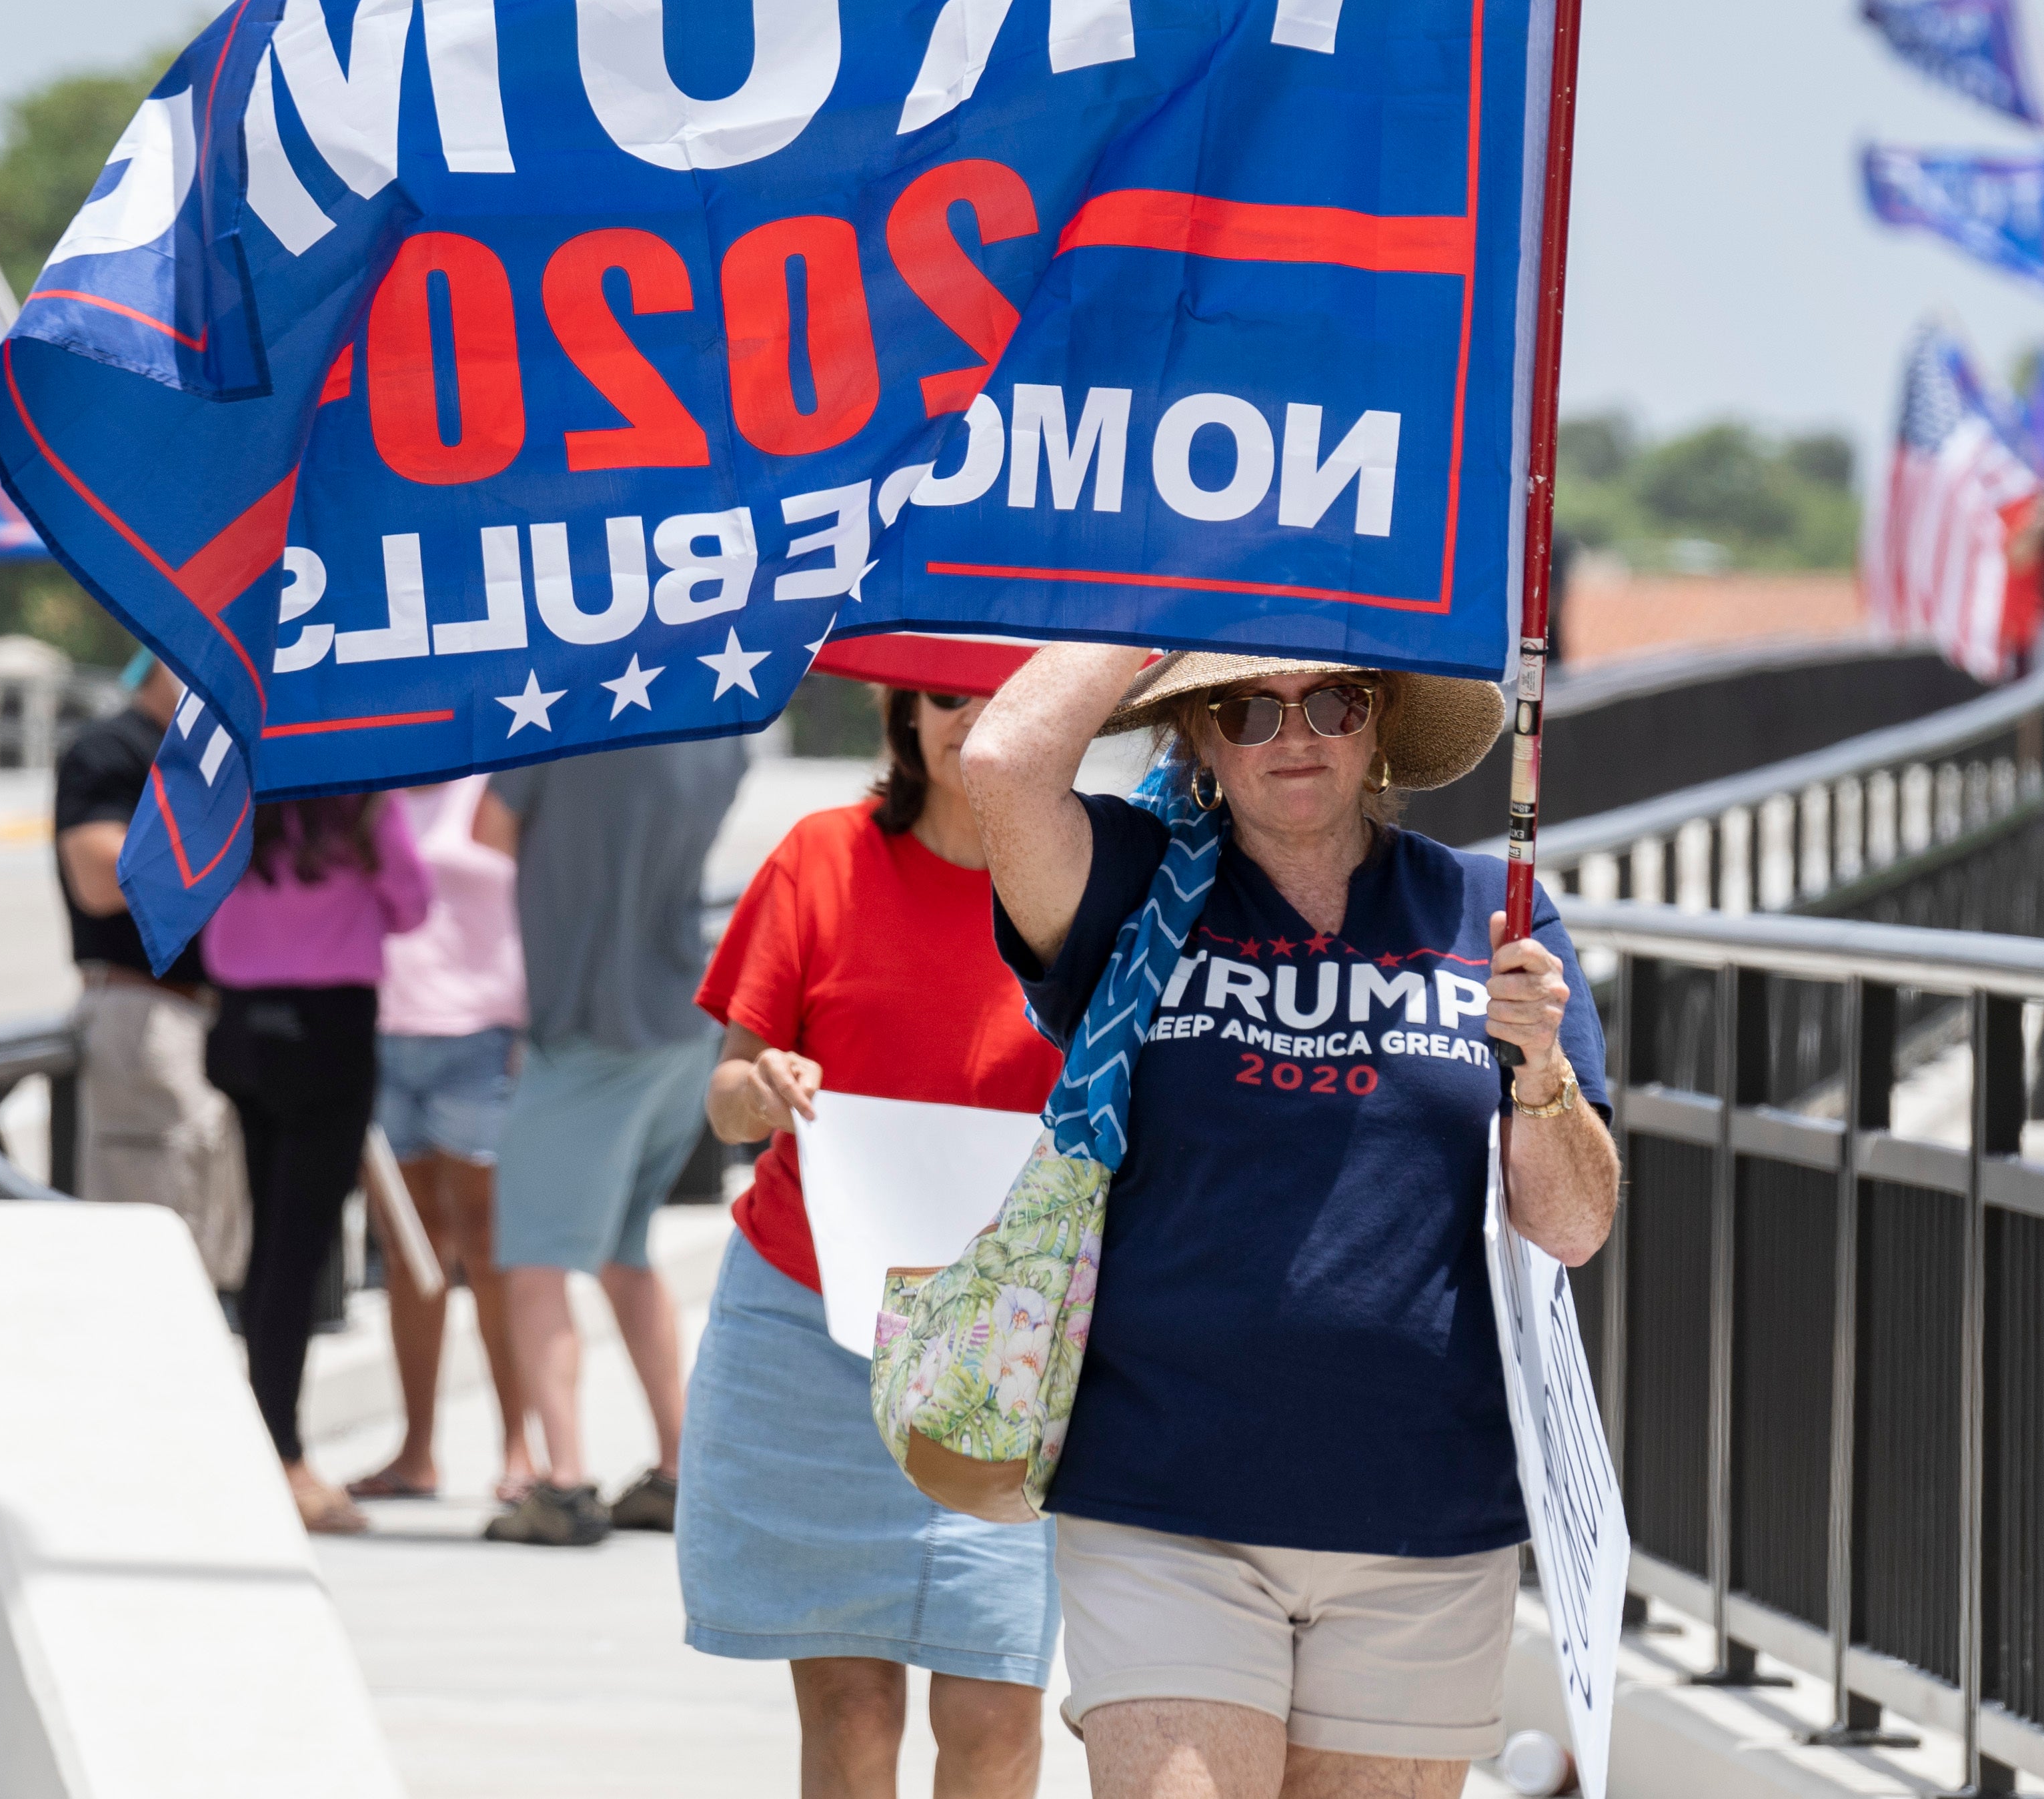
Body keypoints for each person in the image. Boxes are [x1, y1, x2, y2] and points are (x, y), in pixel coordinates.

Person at [963, 646, 1619, 1799]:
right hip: (1163, 1501)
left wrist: (1540, 1073)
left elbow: (1571, 1227)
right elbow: (1006, 762)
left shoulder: (1490, 907)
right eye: (1245, 708)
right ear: (1201, 740)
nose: (1292, 733)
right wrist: (1186, 582)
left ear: (1380, 723)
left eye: (1332, 700)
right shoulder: (1131, 883)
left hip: (1425, 1516)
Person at [678, 637, 1064, 1799]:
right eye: (944, 694)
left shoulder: (1094, 880)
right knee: (849, 1702)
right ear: (903, 711)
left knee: (995, 1704)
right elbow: (726, 1099)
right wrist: (771, 1086)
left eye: (1001, 695)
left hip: (1003, 1349)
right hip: (810, 1322)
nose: (968, 717)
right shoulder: (821, 857)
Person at [475, 734, 750, 1548]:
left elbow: (488, 829)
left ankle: (562, 1482)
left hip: (586, 1023)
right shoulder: (721, 726)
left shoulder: (559, 712)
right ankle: (676, 1465)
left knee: (534, 1260)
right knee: (626, 1253)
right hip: (677, 1016)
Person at [197, 792, 434, 1534]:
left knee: (268, 1240)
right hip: (330, 1029)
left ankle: (265, 1429)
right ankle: (282, 1449)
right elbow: (412, 906)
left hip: (241, 1024)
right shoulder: (363, 804)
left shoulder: (234, 793)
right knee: (300, 1249)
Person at [349, 774, 544, 1504]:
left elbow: (544, 899)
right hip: (383, 1036)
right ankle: (416, 1452)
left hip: (482, 1039)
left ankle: (519, 1447)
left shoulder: (497, 782)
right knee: (409, 1255)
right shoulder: (374, 785)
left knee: (491, 1252)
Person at [53, 650, 247, 1287]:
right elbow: (100, 874)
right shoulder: (111, 749)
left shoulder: (215, 760)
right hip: (144, 1007)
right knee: (146, 1240)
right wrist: (230, 845)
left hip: (215, 1011)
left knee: (210, 1233)